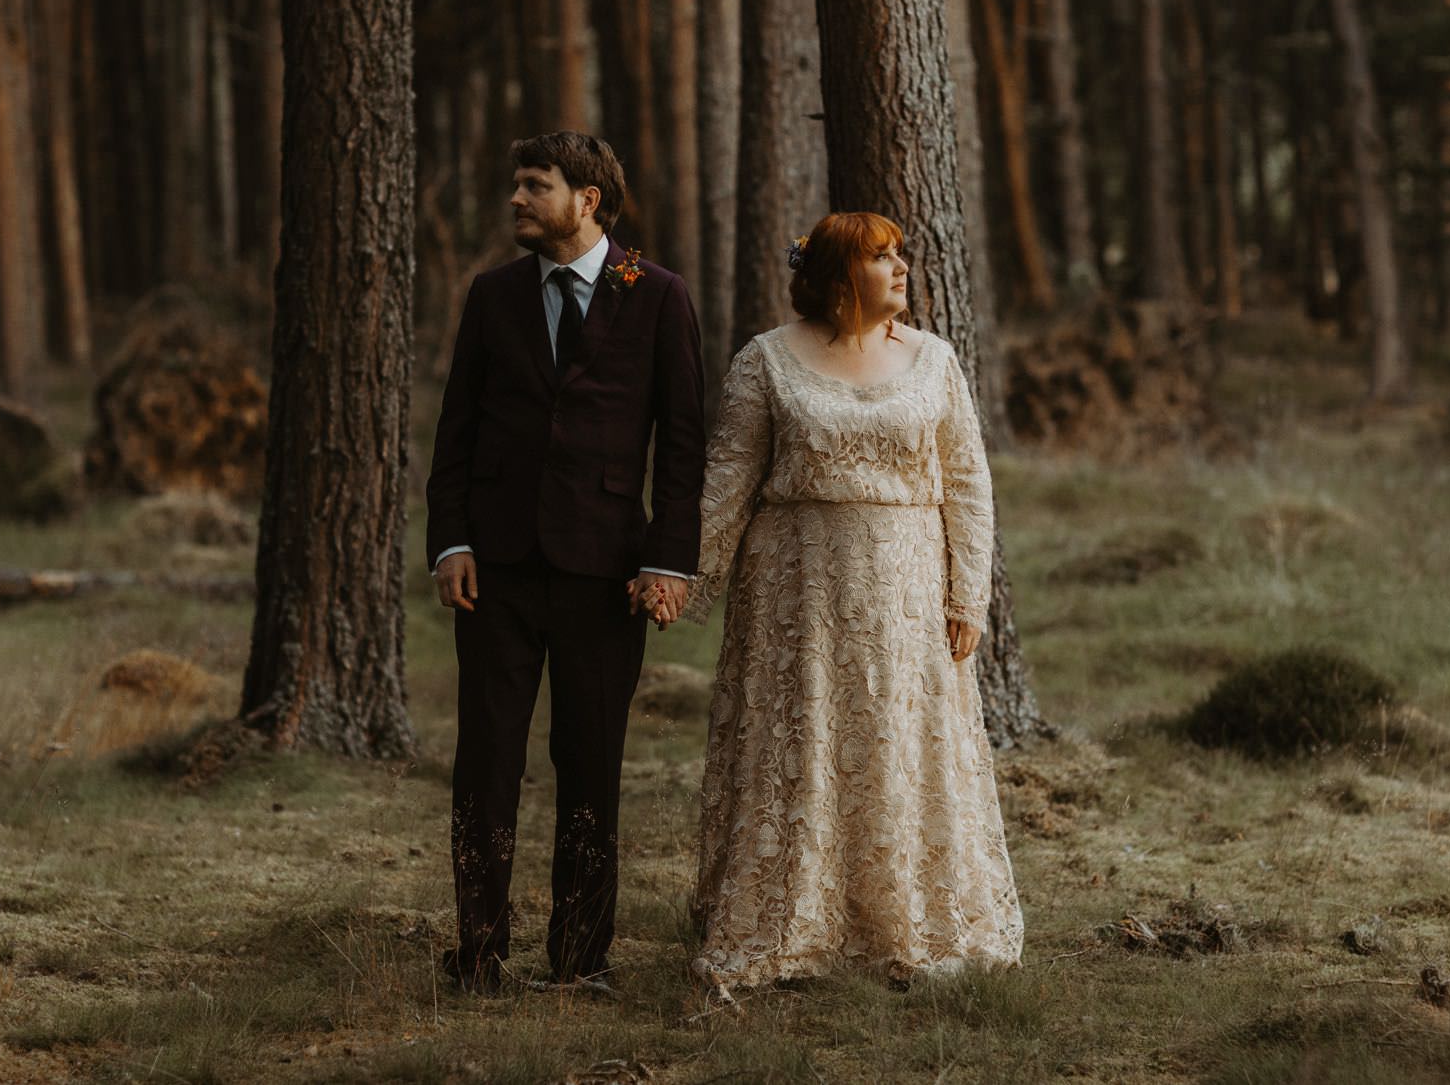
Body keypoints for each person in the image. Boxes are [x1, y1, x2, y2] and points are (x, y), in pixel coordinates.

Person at [652, 211, 1023, 996]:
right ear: (838, 276)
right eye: (881, 257)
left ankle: (902, 921)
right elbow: (728, 479)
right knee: (804, 744)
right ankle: (797, 917)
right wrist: (675, 574)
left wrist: (968, 594)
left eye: (899, 254)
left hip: (907, 597)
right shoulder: (766, 360)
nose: (901, 268)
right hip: (797, 594)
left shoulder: (935, 360)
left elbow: (968, 482)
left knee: (898, 746)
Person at [425, 131, 705, 994]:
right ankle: (478, 954)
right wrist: (451, 541)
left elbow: (683, 446)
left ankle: (582, 959)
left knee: (590, 766)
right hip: (497, 573)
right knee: (486, 765)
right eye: (517, 183)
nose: (516, 198)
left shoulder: (658, 295)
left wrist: (670, 561)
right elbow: (456, 431)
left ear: (587, 199)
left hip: (606, 572)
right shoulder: (493, 295)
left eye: (534, 185)